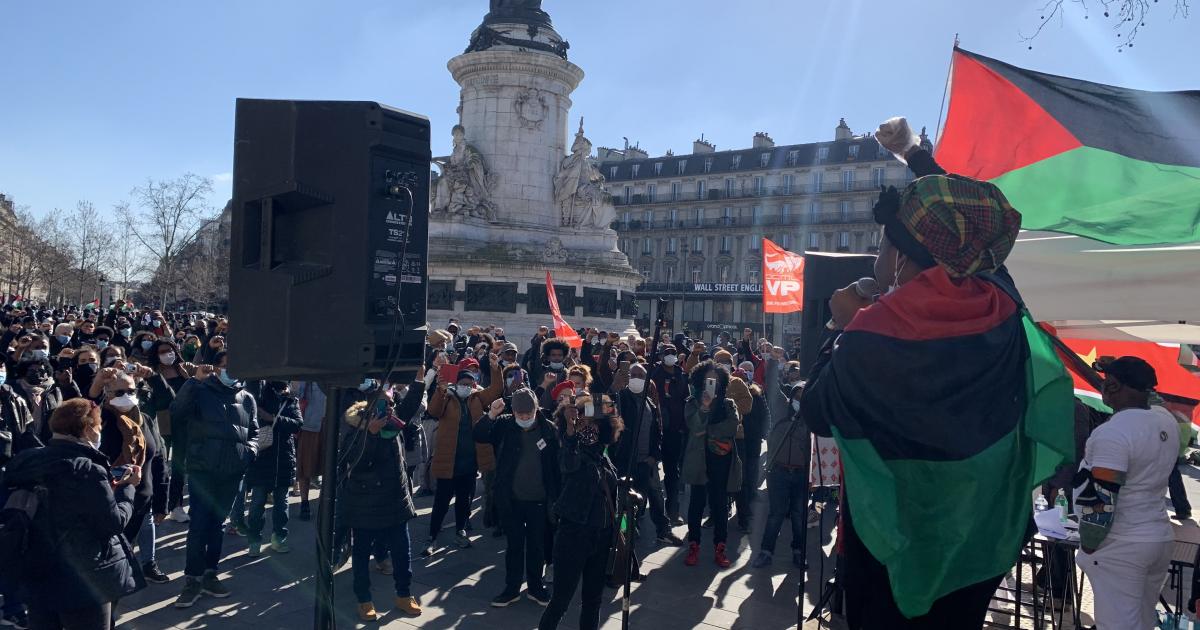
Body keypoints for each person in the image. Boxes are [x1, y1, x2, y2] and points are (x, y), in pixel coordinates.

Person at [800, 153, 1070, 626]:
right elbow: (968, 240)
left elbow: (818, 410)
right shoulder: (1005, 310)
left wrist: (842, 328)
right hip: (980, 534)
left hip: (894, 539)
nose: (877, 257)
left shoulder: (874, 332)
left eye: (882, 246)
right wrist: (919, 160)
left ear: (903, 256)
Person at [2, 398, 142, 630]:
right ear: (87, 428)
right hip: (84, 577)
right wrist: (128, 488)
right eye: (98, 427)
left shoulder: (28, 461)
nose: (99, 432)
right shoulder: (87, 470)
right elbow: (112, 523)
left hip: (37, 570)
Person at [1075, 356, 1179, 629]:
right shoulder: (1164, 420)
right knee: (1143, 621)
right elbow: (1152, 399)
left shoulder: (1113, 433)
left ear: (1112, 386)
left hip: (1122, 545)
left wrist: (1089, 545)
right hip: (1157, 537)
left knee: (1116, 625)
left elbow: (1103, 498)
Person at [171, 351, 258, 609]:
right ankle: (192, 578)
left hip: (231, 472)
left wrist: (248, 454)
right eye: (226, 366)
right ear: (216, 368)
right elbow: (177, 411)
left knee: (217, 524)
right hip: (203, 469)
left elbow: (253, 431)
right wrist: (194, 381)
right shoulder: (201, 390)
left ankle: (210, 573)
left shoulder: (247, 397)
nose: (231, 371)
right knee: (198, 524)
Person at [338, 381, 424, 621]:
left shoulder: (393, 425)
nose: (390, 411)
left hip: (395, 500)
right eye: (384, 407)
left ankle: (404, 594)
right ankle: (364, 599)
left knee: (402, 552)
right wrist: (372, 435)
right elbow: (354, 462)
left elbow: (409, 407)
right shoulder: (356, 430)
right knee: (362, 553)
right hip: (365, 504)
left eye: (390, 407)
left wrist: (419, 380)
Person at [538, 395, 622, 630]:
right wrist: (571, 430)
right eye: (583, 423)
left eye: (593, 424)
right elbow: (568, 464)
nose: (588, 429)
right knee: (561, 601)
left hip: (602, 536)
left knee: (593, 601)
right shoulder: (569, 449)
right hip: (574, 535)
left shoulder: (602, 456)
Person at [474, 388, 560, 607]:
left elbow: (556, 465)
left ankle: (535, 587)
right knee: (514, 545)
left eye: (528, 413)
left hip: (539, 499)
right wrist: (491, 414)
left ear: (535, 409)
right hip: (510, 498)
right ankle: (511, 588)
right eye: (520, 414)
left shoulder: (548, 429)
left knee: (536, 545)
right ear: (513, 412)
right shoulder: (504, 425)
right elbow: (479, 434)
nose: (524, 418)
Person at [422, 359, 502, 555]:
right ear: (455, 383)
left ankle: (461, 530)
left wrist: (494, 367)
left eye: (469, 384)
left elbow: (496, 389)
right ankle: (433, 534)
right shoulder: (446, 397)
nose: (466, 387)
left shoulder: (477, 398)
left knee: (464, 499)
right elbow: (433, 411)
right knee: (442, 498)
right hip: (449, 458)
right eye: (462, 383)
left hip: (469, 459)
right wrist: (440, 390)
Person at [612, 363, 682, 546]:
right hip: (626, 459)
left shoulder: (649, 401)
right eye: (633, 374)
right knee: (626, 499)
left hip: (647, 460)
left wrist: (654, 455)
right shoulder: (621, 398)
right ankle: (626, 532)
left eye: (640, 375)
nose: (636, 377)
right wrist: (614, 387)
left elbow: (657, 431)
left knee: (657, 496)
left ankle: (663, 530)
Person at [682, 360, 741, 568]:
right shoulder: (692, 402)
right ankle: (694, 545)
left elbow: (732, 427)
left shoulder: (728, 404)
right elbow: (694, 426)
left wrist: (708, 430)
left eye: (716, 381)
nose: (712, 384)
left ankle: (720, 547)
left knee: (719, 505)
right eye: (709, 380)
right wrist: (705, 409)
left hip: (721, 462)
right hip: (699, 461)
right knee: (696, 504)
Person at [239, 381, 302, 557]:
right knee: (257, 504)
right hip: (262, 458)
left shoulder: (291, 400)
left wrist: (273, 418)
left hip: (284, 459)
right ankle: (254, 540)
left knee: (282, 504)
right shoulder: (258, 397)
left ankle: (279, 538)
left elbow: (297, 424)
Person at [753, 384, 811, 568]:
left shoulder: (812, 420)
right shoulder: (780, 413)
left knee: (799, 515)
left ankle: (799, 552)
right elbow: (773, 388)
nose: (800, 400)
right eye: (798, 396)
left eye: (804, 397)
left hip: (801, 473)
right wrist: (773, 359)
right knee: (775, 514)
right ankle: (766, 552)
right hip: (779, 472)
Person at [648, 344, 689, 525]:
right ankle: (645, 512)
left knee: (673, 473)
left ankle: (673, 511)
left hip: (675, 430)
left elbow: (686, 399)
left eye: (673, 353)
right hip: (655, 429)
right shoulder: (654, 374)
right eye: (667, 353)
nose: (670, 356)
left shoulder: (681, 375)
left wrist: (683, 426)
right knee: (649, 474)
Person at [292, 380, 326, 521]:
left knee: (328, 467)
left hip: (328, 426)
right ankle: (304, 503)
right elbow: (295, 394)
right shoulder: (307, 377)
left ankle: (325, 501)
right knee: (304, 467)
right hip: (308, 426)